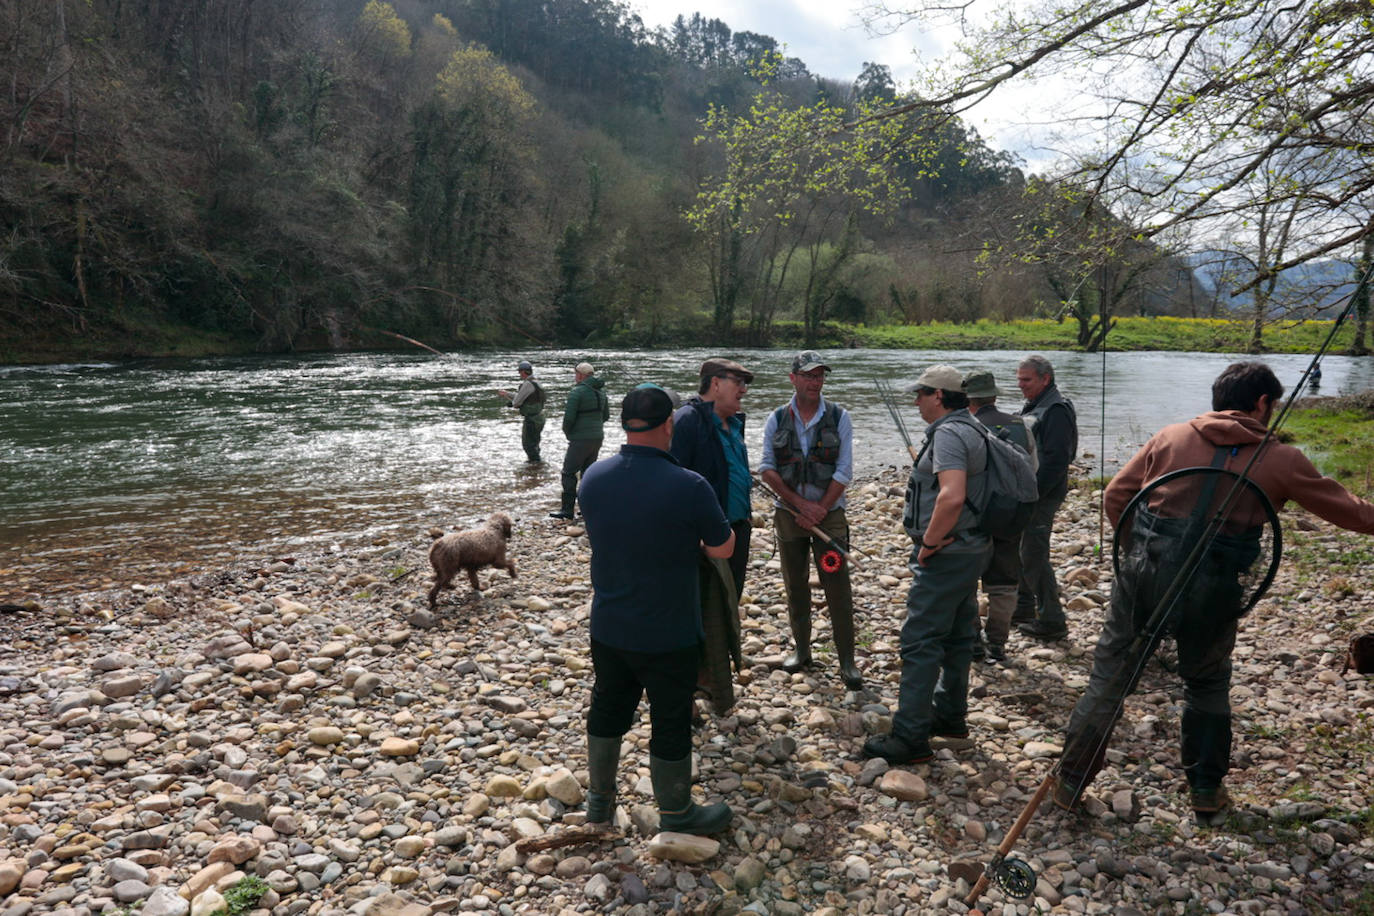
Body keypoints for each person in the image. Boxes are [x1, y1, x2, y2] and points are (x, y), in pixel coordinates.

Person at [1053, 361, 1374, 816]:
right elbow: (1355, 515)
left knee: (1110, 677)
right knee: (1205, 683)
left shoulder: (1169, 436)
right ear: (1262, 403)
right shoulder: (1282, 459)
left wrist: (1137, 552)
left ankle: (1069, 781)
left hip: (1144, 576)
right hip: (1215, 589)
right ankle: (1205, 794)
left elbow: (1115, 498)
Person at [578, 385, 737, 835]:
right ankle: (677, 813)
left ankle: (598, 805)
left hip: (610, 624)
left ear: (624, 425)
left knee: (608, 706)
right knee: (669, 719)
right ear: (668, 425)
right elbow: (722, 546)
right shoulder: (688, 485)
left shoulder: (593, 477)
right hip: (670, 630)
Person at [863, 366, 990, 765]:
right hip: (973, 549)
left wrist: (929, 544)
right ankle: (950, 718)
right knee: (956, 635)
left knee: (920, 642)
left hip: (948, 554)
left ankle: (911, 737)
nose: (915, 400)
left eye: (920, 393)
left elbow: (951, 497)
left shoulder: (951, 434)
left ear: (939, 395)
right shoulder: (972, 426)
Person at [759, 350, 862, 688]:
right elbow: (767, 470)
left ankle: (847, 660)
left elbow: (844, 470)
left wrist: (819, 509)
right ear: (793, 379)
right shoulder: (776, 418)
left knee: (837, 586)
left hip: (829, 519)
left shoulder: (839, 416)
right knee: (795, 585)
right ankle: (802, 652)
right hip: (789, 517)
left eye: (819, 376)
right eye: (808, 375)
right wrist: (800, 505)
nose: (815, 381)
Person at [963, 369, 1038, 663]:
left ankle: (973, 641)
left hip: (971, 515)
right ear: (994, 396)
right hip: (1010, 515)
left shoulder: (962, 427)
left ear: (968, 399)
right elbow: (1032, 470)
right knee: (1005, 583)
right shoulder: (1022, 425)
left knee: (966, 580)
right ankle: (997, 642)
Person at [669, 357, 754, 597]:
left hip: (737, 531)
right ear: (715, 383)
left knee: (730, 603)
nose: (744, 390)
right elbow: (672, 484)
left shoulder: (735, 423)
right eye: (738, 382)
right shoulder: (687, 420)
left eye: (745, 384)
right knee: (706, 609)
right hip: (705, 540)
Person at [1014, 354, 1079, 641]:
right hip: (1031, 490)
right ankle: (1024, 608)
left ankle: (1052, 619)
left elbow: (1056, 461)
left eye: (1026, 380)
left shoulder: (1056, 410)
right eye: (1019, 379)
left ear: (1045, 379)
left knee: (1033, 552)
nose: (1021, 385)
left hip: (1043, 493)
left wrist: (1032, 494)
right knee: (1022, 547)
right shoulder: (1037, 403)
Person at [551, 362, 609, 520]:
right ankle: (587, 508)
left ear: (582, 375)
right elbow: (606, 416)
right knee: (588, 473)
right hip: (598, 437)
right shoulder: (601, 392)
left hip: (580, 439)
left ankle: (567, 510)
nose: (575, 376)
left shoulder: (576, 392)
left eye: (576, 373)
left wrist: (568, 433)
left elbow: (568, 419)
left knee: (569, 472)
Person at [496, 360, 545, 463]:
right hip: (539, 417)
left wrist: (510, 401)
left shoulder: (527, 384)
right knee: (535, 443)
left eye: (519, 372)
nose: (519, 374)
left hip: (531, 419)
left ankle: (535, 465)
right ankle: (538, 465)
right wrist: (507, 394)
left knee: (528, 445)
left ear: (523, 372)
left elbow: (517, 403)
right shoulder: (536, 381)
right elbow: (523, 397)